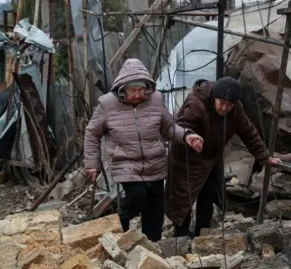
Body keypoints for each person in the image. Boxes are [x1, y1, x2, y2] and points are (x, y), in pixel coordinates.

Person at [83, 58, 203, 242]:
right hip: (125, 162)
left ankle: (152, 244)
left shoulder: (155, 99)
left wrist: (187, 136)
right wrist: (92, 164)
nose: (138, 94)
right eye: (133, 91)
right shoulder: (107, 104)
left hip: (155, 162)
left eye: (141, 90)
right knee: (138, 195)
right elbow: (92, 132)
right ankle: (122, 218)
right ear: (122, 89)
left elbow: (169, 127)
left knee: (155, 206)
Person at [165, 77, 281, 237]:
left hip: (211, 159)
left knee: (207, 196)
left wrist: (264, 156)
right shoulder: (196, 104)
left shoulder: (236, 109)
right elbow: (182, 126)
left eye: (229, 104)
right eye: (222, 103)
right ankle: (181, 237)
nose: (225, 107)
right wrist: (191, 138)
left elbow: (248, 131)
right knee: (182, 200)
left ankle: (201, 234)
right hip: (187, 157)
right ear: (214, 98)